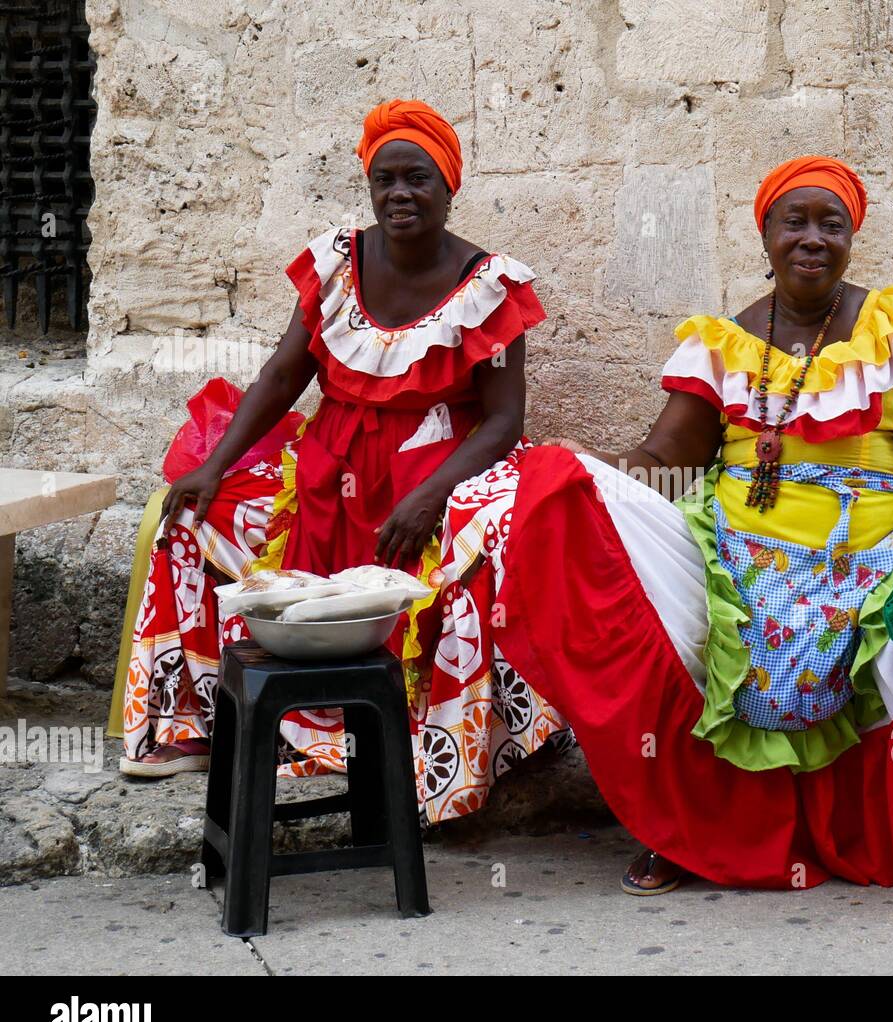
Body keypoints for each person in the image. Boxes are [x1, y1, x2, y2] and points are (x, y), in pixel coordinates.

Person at [494, 156, 893, 904]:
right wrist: (574, 469)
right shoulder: (721, 345)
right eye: (794, 222)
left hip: (874, 558)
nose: (812, 239)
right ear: (766, 235)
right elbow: (662, 460)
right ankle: (681, 828)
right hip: (742, 557)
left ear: (851, 237)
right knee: (672, 631)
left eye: (829, 224)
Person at [120, 100, 570, 824]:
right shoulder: (336, 265)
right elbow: (279, 377)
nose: (400, 194)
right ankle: (194, 722)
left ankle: (441, 748)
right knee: (192, 520)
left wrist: (432, 494)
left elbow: (504, 421)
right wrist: (215, 465)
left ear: (448, 187)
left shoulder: (490, 288)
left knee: (475, 550)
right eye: (384, 179)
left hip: (434, 474)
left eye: (417, 179)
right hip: (327, 471)